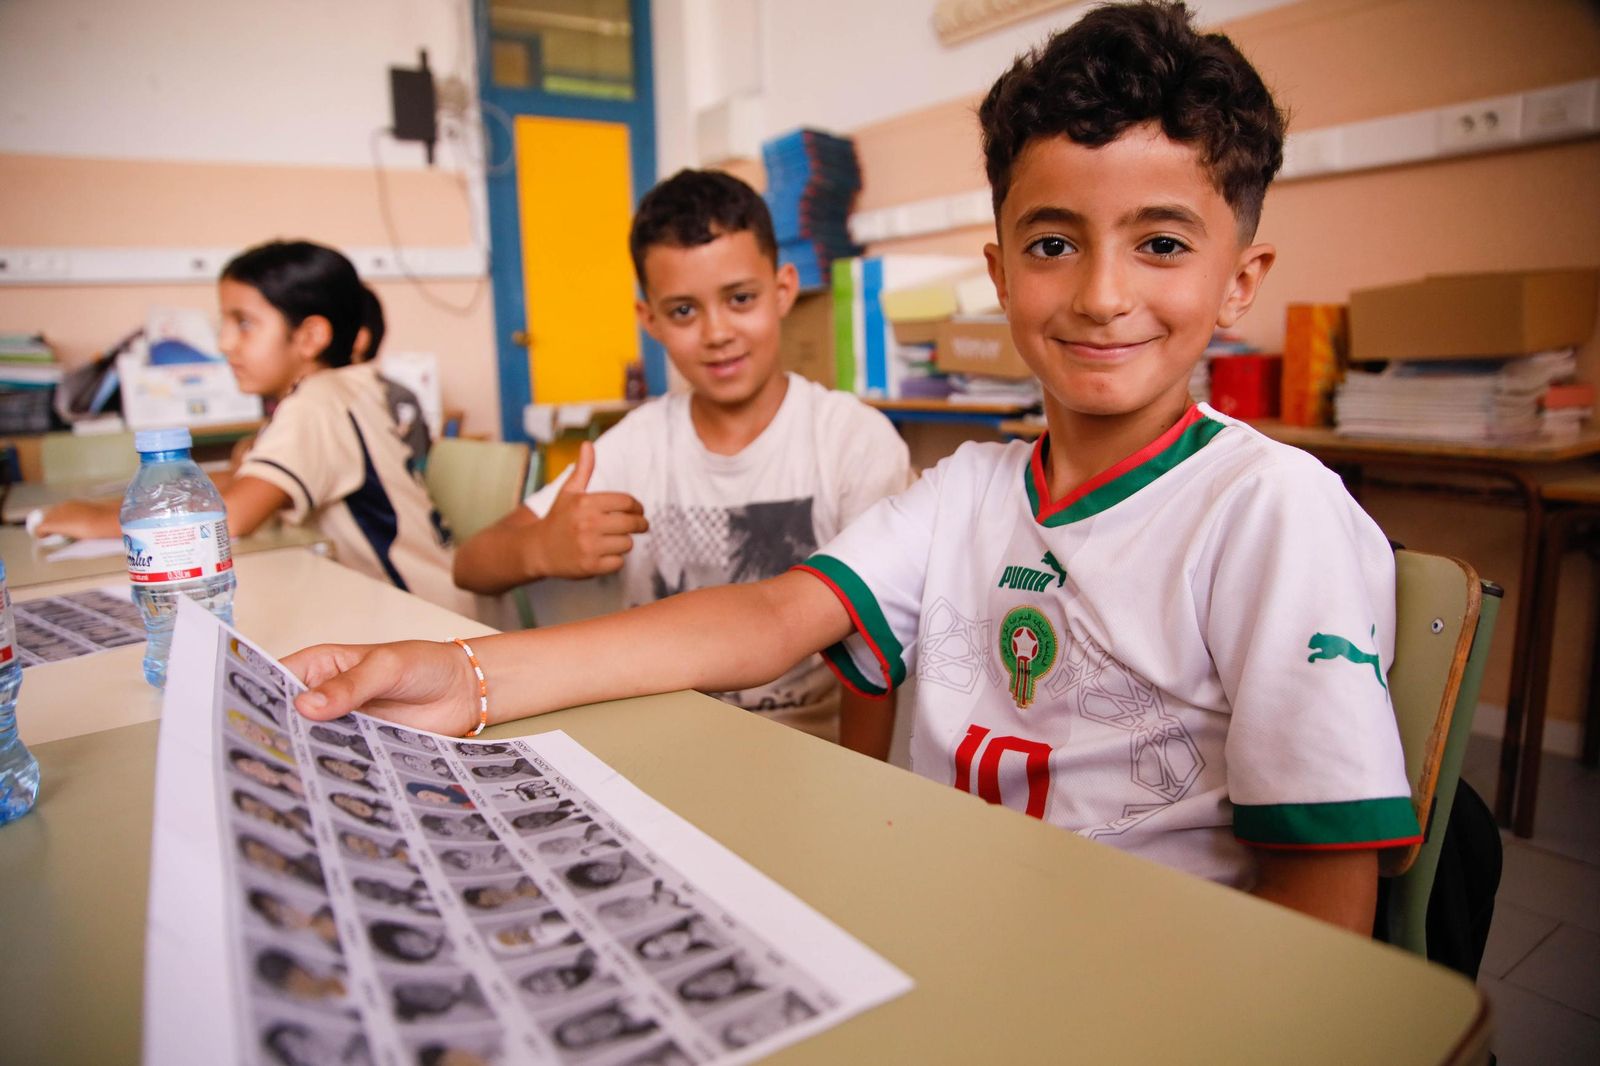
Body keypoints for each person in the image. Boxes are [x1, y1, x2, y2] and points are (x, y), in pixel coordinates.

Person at [286, 1, 1418, 932]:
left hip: (1138, 966)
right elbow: (772, 613)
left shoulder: (1272, 514)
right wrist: (470, 677)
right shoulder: (970, 489)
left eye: (1161, 243)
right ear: (1000, 267)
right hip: (933, 918)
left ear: (1240, 278)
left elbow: (1323, 911)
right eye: (1052, 243)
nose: (1101, 293)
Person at [449, 169, 911, 750]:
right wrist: (540, 547)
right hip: (653, 744)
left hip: (805, 753)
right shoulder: (636, 443)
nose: (717, 332)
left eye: (740, 299)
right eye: (684, 311)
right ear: (650, 320)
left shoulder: (855, 442)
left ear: (784, 289)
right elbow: (470, 565)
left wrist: (861, 786)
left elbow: (872, 652)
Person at [37, 241, 473, 617]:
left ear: (309, 337)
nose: (225, 342)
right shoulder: (339, 390)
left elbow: (237, 514)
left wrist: (100, 520)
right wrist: (125, 503)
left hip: (421, 616)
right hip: (415, 602)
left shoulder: (317, 405)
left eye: (243, 323)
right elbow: (241, 483)